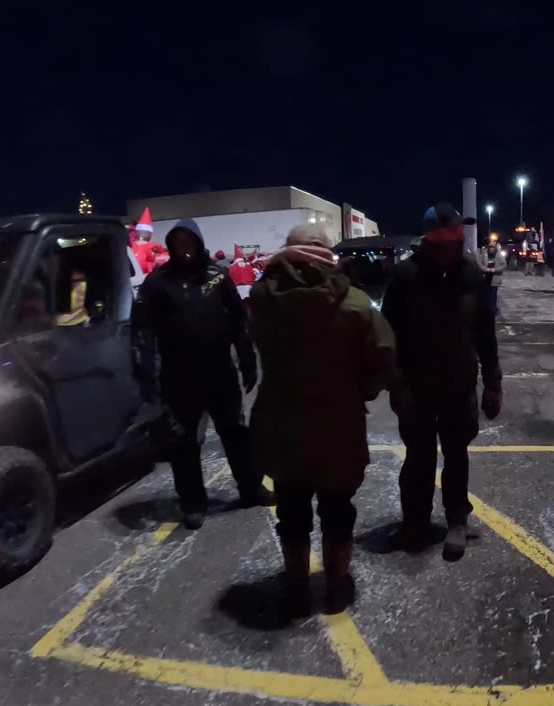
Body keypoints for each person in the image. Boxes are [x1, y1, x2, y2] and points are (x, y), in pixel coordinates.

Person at [250, 224, 396, 614]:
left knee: (292, 511)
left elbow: (258, 341)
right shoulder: (355, 303)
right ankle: (334, 588)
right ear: (327, 253)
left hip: (283, 424)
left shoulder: (263, 298)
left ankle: (296, 587)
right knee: (337, 510)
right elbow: (382, 356)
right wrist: (360, 389)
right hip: (338, 425)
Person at [382, 202, 502, 561]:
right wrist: (395, 385)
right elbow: (388, 337)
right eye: (453, 231)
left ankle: (456, 521)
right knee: (418, 458)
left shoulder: (470, 276)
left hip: (459, 385)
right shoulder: (405, 277)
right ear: (434, 236)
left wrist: (493, 382)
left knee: (456, 456)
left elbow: (485, 332)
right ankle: (415, 523)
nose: (459, 238)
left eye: (460, 232)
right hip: (416, 389)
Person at [137, 218, 274, 529]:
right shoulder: (158, 282)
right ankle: (193, 502)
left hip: (220, 373)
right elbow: (142, 331)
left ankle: (251, 488)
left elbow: (239, 321)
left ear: (198, 243)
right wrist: (146, 375)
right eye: (178, 241)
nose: (184, 247)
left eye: (190, 241)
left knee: (236, 434)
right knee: (183, 442)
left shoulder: (216, 277)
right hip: (178, 377)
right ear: (171, 245)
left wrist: (248, 359)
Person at [483, 236, 504, 314]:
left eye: (493, 247)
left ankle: (493, 308)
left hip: (495, 278)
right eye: (490, 247)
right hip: (486, 278)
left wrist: (495, 269)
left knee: (493, 294)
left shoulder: (499, 256)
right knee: (487, 294)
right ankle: (487, 308)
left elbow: (502, 266)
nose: (491, 248)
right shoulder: (485, 255)